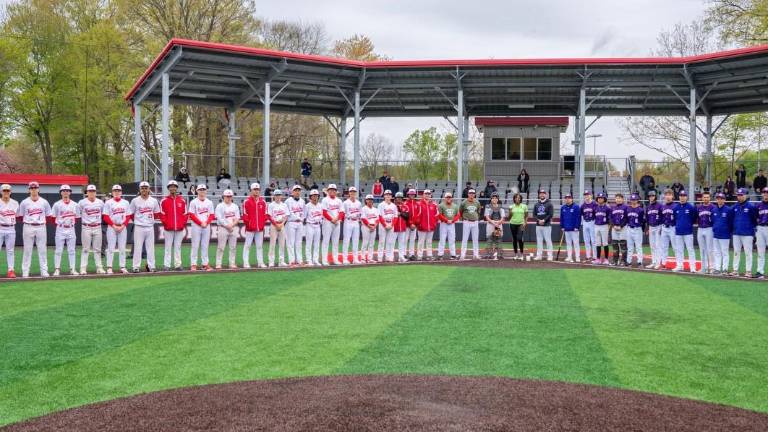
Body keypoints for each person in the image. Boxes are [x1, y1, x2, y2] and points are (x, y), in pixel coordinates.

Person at [18, 181, 52, 278]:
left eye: (35, 188)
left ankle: (44, 271)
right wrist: (28, 221)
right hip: (28, 226)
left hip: (41, 226)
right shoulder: (24, 202)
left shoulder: (44, 202)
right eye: (32, 188)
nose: (33, 190)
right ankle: (25, 271)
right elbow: (20, 217)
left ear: (38, 189)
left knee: (42, 250)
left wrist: (41, 222)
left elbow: (49, 216)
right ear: (29, 190)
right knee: (27, 250)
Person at [129, 181, 161, 273]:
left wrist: (150, 220)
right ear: (140, 189)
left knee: (150, 248)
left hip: (150, 226)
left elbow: (157, 213)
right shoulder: (135, 200)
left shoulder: (153, 201)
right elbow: (131, 213)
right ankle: (136, 266)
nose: (144, 190)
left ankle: (151, 266)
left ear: (149, 189)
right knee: (137, 248)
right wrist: (136, 221)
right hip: (139, 226)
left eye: (146, 188)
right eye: (142, 188)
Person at [51, 184, 80, 276]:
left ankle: (72, 269)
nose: (65, 192)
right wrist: (59, 224)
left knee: (72, 250)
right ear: (61, 193)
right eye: (63, 191)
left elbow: (77, 217)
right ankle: (57, 269)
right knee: (58, 250)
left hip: (71, 229)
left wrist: (71, 223)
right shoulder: (57, 204)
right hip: (60, 229)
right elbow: (52, 218)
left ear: (70, 192)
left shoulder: (75, 204)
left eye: (67, 190)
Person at [160, 180, 188, 271]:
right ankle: (166, 265)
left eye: (174, 186)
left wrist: (182, 224)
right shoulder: (164, 201)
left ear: (176, 188)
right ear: (168, 188)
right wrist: (166, 224)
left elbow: (185, 214)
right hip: (168, 228)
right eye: (171, 186)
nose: (173, 188)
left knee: (178, 247)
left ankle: (178, 264)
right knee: (167, 247)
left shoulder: (182, 200)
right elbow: (162, 214)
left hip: (179, 228)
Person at [103, 185, 130, 274]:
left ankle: (122, 266)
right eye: (115, 190)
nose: (117, 192)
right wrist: (113, 225)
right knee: (111, 248)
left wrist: (123, 226)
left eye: (118, 191)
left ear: (121, 192)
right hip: (112, 227)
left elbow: (128, 216)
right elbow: (105, 216)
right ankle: (109, 267)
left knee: (122, 248)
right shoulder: (108, 202)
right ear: (112, 192)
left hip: (122, 227)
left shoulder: (125, 202)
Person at [78, 184, 105, 275]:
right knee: (85, 249)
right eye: (90, 191)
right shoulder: (82, 202)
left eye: (93, 191)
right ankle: (83, 268)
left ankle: (99, 267)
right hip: (86, 227)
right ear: (87, 193)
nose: (92, 193)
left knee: (97, 249)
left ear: (95, 192)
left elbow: (103, 214)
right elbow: (78, 214)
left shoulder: (100, 202)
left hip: (97, 226)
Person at [188, 184, 215, 271]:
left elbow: (212, 215)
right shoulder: (193, 202)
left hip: (206, 225)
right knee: (195, 245)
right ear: (197, 191)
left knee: (205, 245)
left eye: (204, 189)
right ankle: (193, 264)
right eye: (200, 190)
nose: (202, 191)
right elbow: (191, 215)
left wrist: (206, 222)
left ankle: (205, 263)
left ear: (206, 191)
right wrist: (200, 223)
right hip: (196, 226)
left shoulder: (209, 202)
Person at [731, 188, 757, 277]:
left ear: (746, 195)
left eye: (741, 195)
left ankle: (748, 271)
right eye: (738, 195)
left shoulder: (751, 206)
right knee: (736, 252)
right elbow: (731, 218)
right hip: (736, 233)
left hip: (747, 233)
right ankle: (735, 270)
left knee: (748, 253)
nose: (740, 196)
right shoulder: (735, 206)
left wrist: (751, 230)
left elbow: (754, 220)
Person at [672, 190, 697, 273]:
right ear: (679, 197)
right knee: (679, 250)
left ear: (686, 197)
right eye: (681, 196)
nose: (682, 197)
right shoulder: (675, 208)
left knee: (690, 249)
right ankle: (679, 266)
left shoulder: (691, 207)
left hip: (688, 232)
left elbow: (694, 218)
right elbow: (675, 219)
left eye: (684, 196)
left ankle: (692, 267)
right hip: (678, 232)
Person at [214, 189, 240, 270]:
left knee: (233, 247)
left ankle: (232, 263)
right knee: (221, 247)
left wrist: (232, 225)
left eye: (230, 196)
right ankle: (218, 264)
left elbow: (237, 218)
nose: (228, 198)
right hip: (223, 228)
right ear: (223, 197)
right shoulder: (219, 206)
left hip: (233, 228)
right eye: (227, 196)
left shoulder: (235, 206)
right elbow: (219, 218)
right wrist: (227, 226)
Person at [321, 184, 344, 266]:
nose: (332, 191)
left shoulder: (339, 201)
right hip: (327, 222)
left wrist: (336, 219)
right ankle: (324, 260)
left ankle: (335, 259)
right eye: (330, 189)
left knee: (335, 242)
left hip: (337, 222)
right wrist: (332, 219)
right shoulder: (325, 200)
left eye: (334, 189)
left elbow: (342, 212)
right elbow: (324, 212)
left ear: (336, 191)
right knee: (326, 241)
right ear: (328, 191)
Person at [712, 192, 734, 275]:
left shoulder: (728, 210)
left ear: (724, 200)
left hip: (725, 235)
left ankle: (724, 269)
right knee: (717, 252)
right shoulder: (714, 210)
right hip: (716, 234)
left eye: (721, 198)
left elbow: (731, 222)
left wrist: (728, 231)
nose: (719, 200)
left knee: (724, 252)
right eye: (718, 198)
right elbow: (713, 221)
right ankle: (717, 268)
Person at [655, 189, 677, 271]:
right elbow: (661, 218)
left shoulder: (675, 206)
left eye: (669, 195)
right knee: (664, 247)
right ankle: (663, 264)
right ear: (664, 196)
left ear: (672, 196)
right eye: (666, 195)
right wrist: (660, 228)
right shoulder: (662, 206)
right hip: (664, 228)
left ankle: (679, 264)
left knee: (675, 247)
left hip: (672, 228)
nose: (668, 196)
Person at [0, 184, 19, 278]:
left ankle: (10, 270)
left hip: (11, 228)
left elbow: (18, 215)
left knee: (10, 250)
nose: (6, 192)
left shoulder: (15, 203)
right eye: (4, 191)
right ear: (1, 192)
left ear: (10, 192)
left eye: (8, 191)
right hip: (0, 228)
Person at [267, 189, 289, 267]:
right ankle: (271, 261)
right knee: (272, 244)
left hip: (282, 225)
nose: (278, 196)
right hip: (274, 225)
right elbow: (269, 216)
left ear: (281, 196)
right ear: (274, 196)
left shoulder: (284, 205)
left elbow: (286, 216)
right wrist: (276, 224)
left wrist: (282, 224)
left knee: (282, 244)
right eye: (276, 195)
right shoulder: (271, 205)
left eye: (279, 195)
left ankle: (281, 261)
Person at [285, 185, 306, 267]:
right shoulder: (288, 201)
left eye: (299, 190)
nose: (297, 192)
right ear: (292, 192)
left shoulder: (302, 201)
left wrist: (301, 219)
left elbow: (304, 212)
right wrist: (299, 218)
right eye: (295, 190)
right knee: (290, 242)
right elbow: (289, 212)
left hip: (299, 223)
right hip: (291, 223)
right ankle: (292, 260)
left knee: (299, 242)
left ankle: (299, 260)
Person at [696, 191, 716, 274]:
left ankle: (711, 267)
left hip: (709, 228)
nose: (706, 199)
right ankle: (703, 268)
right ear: (702, 198)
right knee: (702, 249)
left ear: (710, 198)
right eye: (704, 197)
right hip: (700, 228)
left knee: (710, 249)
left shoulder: (713, 207)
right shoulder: (699, 207)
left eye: (707, 197)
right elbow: (696, 218)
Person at [459, 188, 482, 260]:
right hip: (466, 221)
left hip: (475, 222)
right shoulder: (464, 202)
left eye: (473, 193)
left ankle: (476, 255)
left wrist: (476, 218)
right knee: (464, 239)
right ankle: (462, 255)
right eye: (470, 193)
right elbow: (460, 211)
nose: (471, 195)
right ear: (468, 194)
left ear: (474, 194)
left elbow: (478, 211)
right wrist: (463, 219)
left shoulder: (477, 202)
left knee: (475, 239)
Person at [341, 186, 362, 265]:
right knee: (346, 240)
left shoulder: (359, 203)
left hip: (356, 222)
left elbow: (360, 213)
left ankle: (355, 259)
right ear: (349, 193)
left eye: (354, 192)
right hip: (348, 221)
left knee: (356, 241)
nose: (352, 193)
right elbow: (343, 213)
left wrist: (358, 218)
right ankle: (345, 259)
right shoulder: (345, 203)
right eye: (351, 191)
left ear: (356, 193)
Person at [416, 189, 439, 261]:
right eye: (426, 194)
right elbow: (417, 216)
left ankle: (429, 255)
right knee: (421, 242)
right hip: (421, 226)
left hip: (431, 226)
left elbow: (437, 215)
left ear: (430, 195)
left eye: (429, 194)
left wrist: (434, 223)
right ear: (423, 195)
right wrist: (418, 224)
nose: (427, 195)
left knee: (429, 242)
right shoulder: (419, 204)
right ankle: (419, 255)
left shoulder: (434, 204)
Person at [437, 192, 460, 260]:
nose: (449, 198)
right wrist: (446, 220)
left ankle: (453, 254)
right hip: (444, 224)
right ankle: (440, 254)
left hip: (452, 224)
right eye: (447, 197)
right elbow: (439, 215)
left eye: (450, 197)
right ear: (445, 198)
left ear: (451, 198)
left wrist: (452, 221)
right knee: (442, 239)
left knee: (452, 239)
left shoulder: (455, 206)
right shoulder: (441, 205)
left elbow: (458, 215)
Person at [484, 192, 507, 259]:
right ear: (491, 199)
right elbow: (487, 217)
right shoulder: (488, 206)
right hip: (490, 224)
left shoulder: (500, 207)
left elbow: (503, 217)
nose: (494, 199)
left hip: (498, 223)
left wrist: (498, 223)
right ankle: (488, 254)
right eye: (493, 198)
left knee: (498, 239)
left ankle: (499, 254)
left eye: (496, 198)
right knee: (489, 238)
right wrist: (493, 223)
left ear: (498, 199)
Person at [303, 189, 323, 266]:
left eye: (316, 195)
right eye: (313, 196)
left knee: (317, 243)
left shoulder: (320, 205)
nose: (315, 197)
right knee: (309, 243)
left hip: (318, 225)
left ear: (318, 197)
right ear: (310, 197)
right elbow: (304, 217)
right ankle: (309, 260)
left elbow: (321, 216)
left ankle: (315, 260)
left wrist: (320, 221)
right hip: (310, 225)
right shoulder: (307, 206)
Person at [559, 193, 581, 263]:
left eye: (569, 198)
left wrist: (577, 226)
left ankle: (577, 257)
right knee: (568, 244)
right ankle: (569, 256)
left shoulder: (576, 207)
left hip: (574, 229)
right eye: (566, 198)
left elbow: (578, 217)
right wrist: (562, 226)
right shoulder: (563, 207)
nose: (567, 199)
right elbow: (561, 218)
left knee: (576, 243)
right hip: (566, 228)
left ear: (571, 199)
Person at [533, 189, 554, 261]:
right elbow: (534, 214)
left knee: (548, 240)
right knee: (539, 241)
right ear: (539, 195)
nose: (542, 195)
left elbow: (550, 214)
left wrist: (544, 220)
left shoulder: (549, 204)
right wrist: (538, 220)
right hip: (538, 225)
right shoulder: (536, 204)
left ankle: (550, 255)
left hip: (546, 225)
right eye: (540, 193)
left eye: (543, 193)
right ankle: (539, 255)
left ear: (545, 195)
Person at [377, 190, 398, 262]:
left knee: (390, 242)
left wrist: (392, 225)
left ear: (391, 196)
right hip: (383, 224)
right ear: (384, 196)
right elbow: (379, 216)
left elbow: (395, 217)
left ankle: (388, 257)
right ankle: (380, 257)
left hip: (391, 224)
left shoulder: (394, 206)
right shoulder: (381, 205)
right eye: (386, 194)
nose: (388, 196)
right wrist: (385, 225)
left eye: (389, 195)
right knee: (382, 241)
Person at [625, 194, 645, 267]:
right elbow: (626, 219)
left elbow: (642, 221)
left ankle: (640, 261)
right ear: (630, 200)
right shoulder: (627, 209)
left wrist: (642, 229)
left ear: (637, 200)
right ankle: (628, 261)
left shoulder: (641, 210)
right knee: (629, 247)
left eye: (635, 200)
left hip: (637, 229)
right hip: (629, 228)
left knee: (638, 246)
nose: (633, 201)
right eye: (632, 200)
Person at [608, 193, 629, 266]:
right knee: (615, 245)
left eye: (619, 198)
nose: (618, 199)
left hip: (623, 228)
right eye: (617, 198)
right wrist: (613, 226)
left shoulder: (626, 207)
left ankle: (623, 261)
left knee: (623, 245)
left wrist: (621, 226)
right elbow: (610, 218)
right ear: (615, 199)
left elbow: (627, 218)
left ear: (622, 199)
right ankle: (615, 260)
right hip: (614, 228)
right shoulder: (612, 208)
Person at [645, 191, 663, 269]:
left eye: (652, 196)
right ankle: (654, 261)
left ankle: (658, 262)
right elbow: (647, 218)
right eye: (650, 196)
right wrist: (647, 228)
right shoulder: (648, 206)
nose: (651, 197)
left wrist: (662, 227)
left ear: (655, 196)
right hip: (651, 227)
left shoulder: (659, 206)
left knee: (657, 245)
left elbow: (662, 217)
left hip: (658, 226)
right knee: (652, 246)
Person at [360, 194, 380, 263]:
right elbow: (363, 218)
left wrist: (374, 226)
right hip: (366, 227)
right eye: (368, 199)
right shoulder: (363, 208)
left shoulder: (375, 209)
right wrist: (369, 226)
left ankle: (370, 258)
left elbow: (377, 219)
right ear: (366, 200)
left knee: (372, 243)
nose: (370, 201)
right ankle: (362, 258)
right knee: (365, 243)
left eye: (371, 200)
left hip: (373, 227)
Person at [508, 193, 527, 260]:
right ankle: (516, 254)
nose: (517, 199)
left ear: (521, 199)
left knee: (520, 238)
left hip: (521, 224)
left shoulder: (524, 206)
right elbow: (509, 218)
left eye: (519, 198)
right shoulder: (511, 206)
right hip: (512, 224)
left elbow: (526, 215)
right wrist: (510, 212)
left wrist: (525, 222)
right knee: (514, 239)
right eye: (516, 197)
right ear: (514, 199)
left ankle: (521, 254)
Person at [754, 187, 768, 279]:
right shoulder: (758, 205)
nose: (765, 194)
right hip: (760, 228)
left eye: (767, 193)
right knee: (760, 251)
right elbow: (755, 217)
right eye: (764, 193)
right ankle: (760, 271)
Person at [593, 193, 610, 265]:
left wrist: (609, 227)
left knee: (605, 243)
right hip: (596, 226)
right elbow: (594, 216)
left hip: (604, 226)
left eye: (601, 198)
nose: (600, 199)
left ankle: (606, 259)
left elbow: (609, 218)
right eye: (599, 198)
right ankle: (598, 259)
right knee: (598, 243)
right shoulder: (595, 208)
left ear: (604, 199)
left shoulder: (607, 208)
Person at [404, 189, 421, 260]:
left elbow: (419, 214)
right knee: (405, 240)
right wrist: (410, 223)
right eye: (410, 194)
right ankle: (404, 254)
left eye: (413, 194)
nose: (412, 195)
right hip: (407, 225)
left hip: (414, 226)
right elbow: (405, 215)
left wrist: (415, 224)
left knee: (412, 240)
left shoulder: (417, 204)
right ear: (408, 195)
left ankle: (411, 254)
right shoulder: (405, 204)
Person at [580, 190, 597, 262]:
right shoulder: (583, 205)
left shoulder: (594, 204)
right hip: (585, 222)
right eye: (585, 195)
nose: (586, 196)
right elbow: (581, 214)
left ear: (591, 196)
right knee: (586, 240)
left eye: (588, 194)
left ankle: (595, 256)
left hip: (592, 222)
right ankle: (588, 256)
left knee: (593, 240)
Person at [393, 192, 409, 263]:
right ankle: (391, 256)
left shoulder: (405, 206)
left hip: (402, 227)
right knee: (391, 243)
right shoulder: (392, 206)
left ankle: (401, 257)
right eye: (397, 198)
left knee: (401, 243)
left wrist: (400, 213)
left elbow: (407, 216)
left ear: (402, 198)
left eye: (400, 198)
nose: (399, 199)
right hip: (394, 227)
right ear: (395, 198)